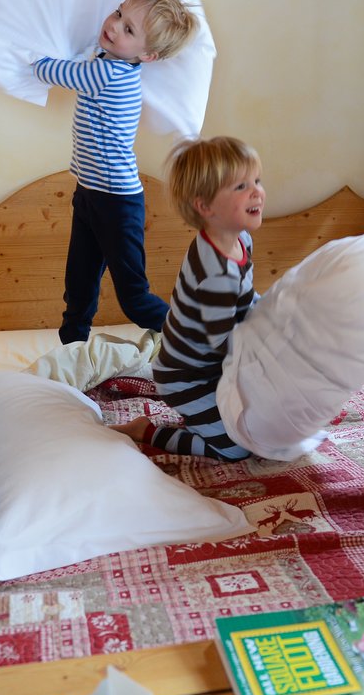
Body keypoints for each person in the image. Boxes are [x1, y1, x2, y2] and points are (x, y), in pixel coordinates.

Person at [32, 0, 200, 344]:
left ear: (148, 55)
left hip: (117, 202)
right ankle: (73, 355)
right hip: (91, 193)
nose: (113, 24)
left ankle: (199, 344)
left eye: (128, 29)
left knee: (135, 299)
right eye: (119, 12)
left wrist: (20, 49)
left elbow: (50, 71)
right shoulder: (107, 61)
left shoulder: (106, 75)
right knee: (79, 286)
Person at [112, 136, 263, 461]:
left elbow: (248, 300)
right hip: (188, 376)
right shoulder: (216, 274)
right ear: (206, 207)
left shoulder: (240, 239)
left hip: (214, 365)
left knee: (258, 421)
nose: (256, 192)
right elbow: (223, 342)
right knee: (236, 448)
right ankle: (147, 431)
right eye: (241, 187)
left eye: (256, 181)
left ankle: (206, 420)